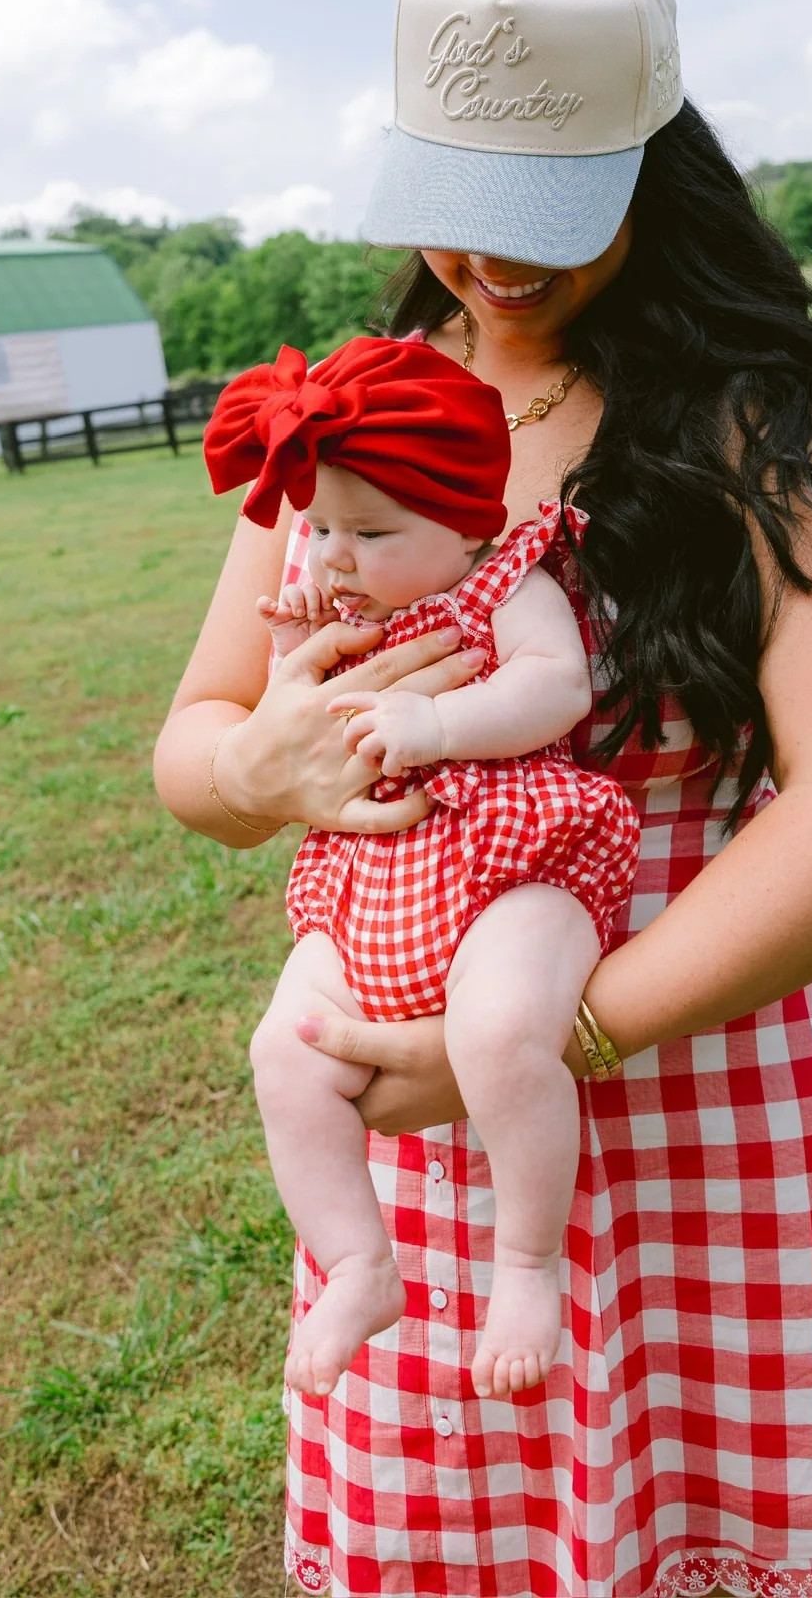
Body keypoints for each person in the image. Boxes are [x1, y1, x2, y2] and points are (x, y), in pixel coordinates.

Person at [155, 0, 812, 1598]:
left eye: (547, 206)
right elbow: (192, 754)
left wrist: (559, 1027)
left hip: (717, 1082)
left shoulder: (741, 422)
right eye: (459, 199)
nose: (493, 262)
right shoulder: (360, 422)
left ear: (655, 156)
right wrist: (267, 761)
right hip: (436, 1136)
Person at [202, 335, 639, 1404]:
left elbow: (558, 689)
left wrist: (437, 719)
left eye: (369, 533)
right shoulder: (338, 602)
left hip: (510, 860)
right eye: (320, 530)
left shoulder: (505, 581)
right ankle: (357, 1263)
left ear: (466, 525)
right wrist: (293, 665)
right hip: (373, 881)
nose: (333, 556)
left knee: (500, 1031)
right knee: (285, 1053)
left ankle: (529, 1264)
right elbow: (279, 723)